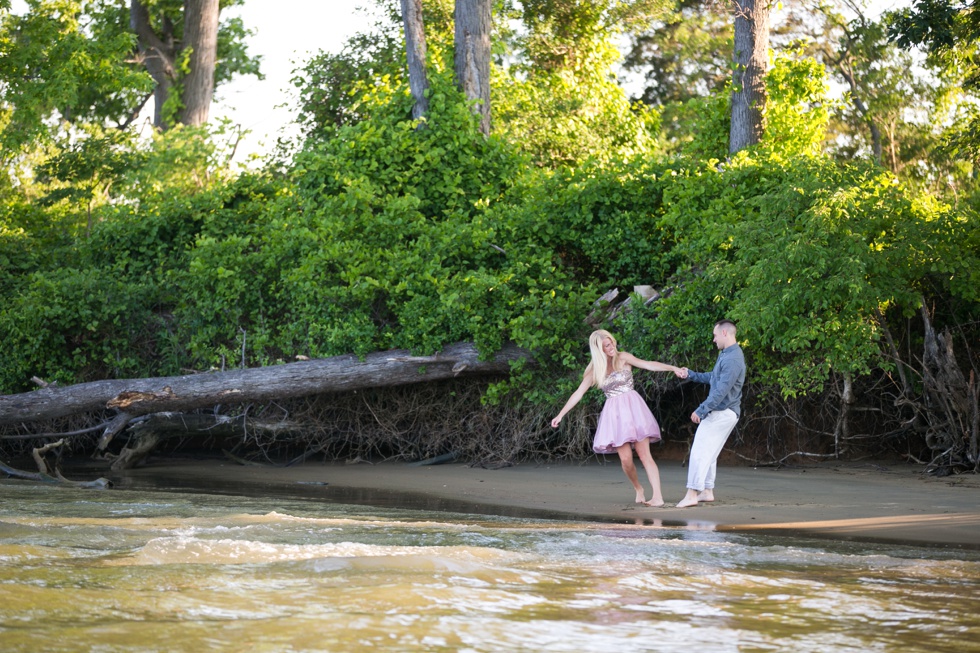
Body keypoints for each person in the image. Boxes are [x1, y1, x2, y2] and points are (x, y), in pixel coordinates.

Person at [551, 329, 685, 507]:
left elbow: (648, 364)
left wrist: (672, 368)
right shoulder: (594, 370)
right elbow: (578, 393)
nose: (612, 346)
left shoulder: (623, 357)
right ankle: (638, 488)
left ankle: (658, 497)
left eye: (612, 342)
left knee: (645, 455)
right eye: (607, 345)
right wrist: (561, 414)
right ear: (599, 349)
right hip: (615, 416)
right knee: (626, 459)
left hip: (634, 409)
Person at [676, 319, 746, 508]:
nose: (713, 340)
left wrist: (702, 409)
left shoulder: (733, 359)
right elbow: (714, 378)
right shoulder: (727, 354)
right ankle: (707, 491)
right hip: (725, 411)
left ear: (725, 333)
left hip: (723, 412)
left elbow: (721, 391)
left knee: (700, 451)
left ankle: (692, 493)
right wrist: (691, 374)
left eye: (715, 335)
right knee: (710, 452)